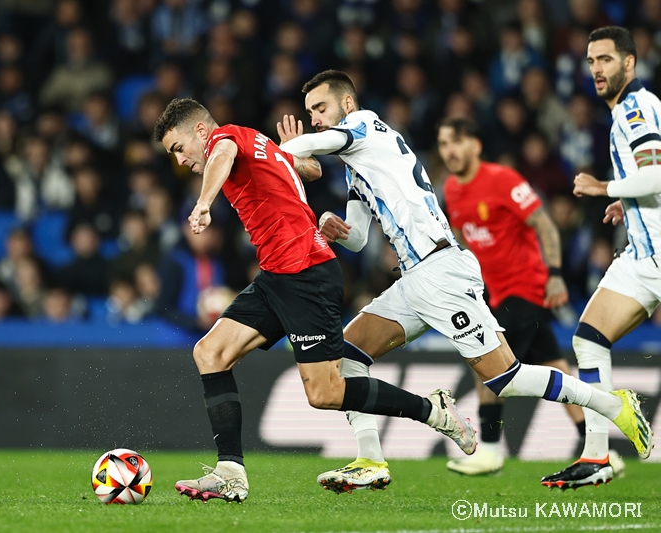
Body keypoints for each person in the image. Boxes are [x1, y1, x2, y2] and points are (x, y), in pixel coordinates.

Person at [277, 69, 652, 494]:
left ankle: (612, 404)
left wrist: (282, 153)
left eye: (321, 108)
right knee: (347, 355)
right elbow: (360, 239)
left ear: (346, 104)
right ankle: (371, 460)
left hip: (441, 273)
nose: (315, 119)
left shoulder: (363, 125)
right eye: (309, 113)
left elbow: (317, 143)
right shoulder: (355, 167)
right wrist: (332, 225)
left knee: (504, 380)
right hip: (413, 279)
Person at [154, 97, 479, 503]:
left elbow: (221, 151)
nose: (180, 160)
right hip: (278, 275)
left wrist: (204, 203)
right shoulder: (256, 141)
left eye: (178, 149)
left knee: (325, 392)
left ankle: (433, 410)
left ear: (200, 131)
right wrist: (299, 162)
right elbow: (303, 169)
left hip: (306, 273)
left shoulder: (226, 139)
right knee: (210, 353)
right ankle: (230, 472)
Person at [438, 117, 596, 476]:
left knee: (486, 362)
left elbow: (543, 222)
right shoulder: (452, 189)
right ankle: (598, 447)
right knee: (557, 367)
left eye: (457, 142)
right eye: (444, 143)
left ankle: (490, 450)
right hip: (495, 295)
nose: (450, 150)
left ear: (475, 146)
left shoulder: (503, 180)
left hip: (525, 288)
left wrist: (554, 274)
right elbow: (461, 239)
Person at [542, 26, 661, 490]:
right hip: (643, 258)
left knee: (587, 342)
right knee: (588, 340)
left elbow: (655, 176)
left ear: (629, 64)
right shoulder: (629, 112)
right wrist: (626, 203)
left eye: (606, 60)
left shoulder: (635, 107)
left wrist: (603, 188)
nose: (596, 68)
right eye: (591, 60)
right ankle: (597, 455)